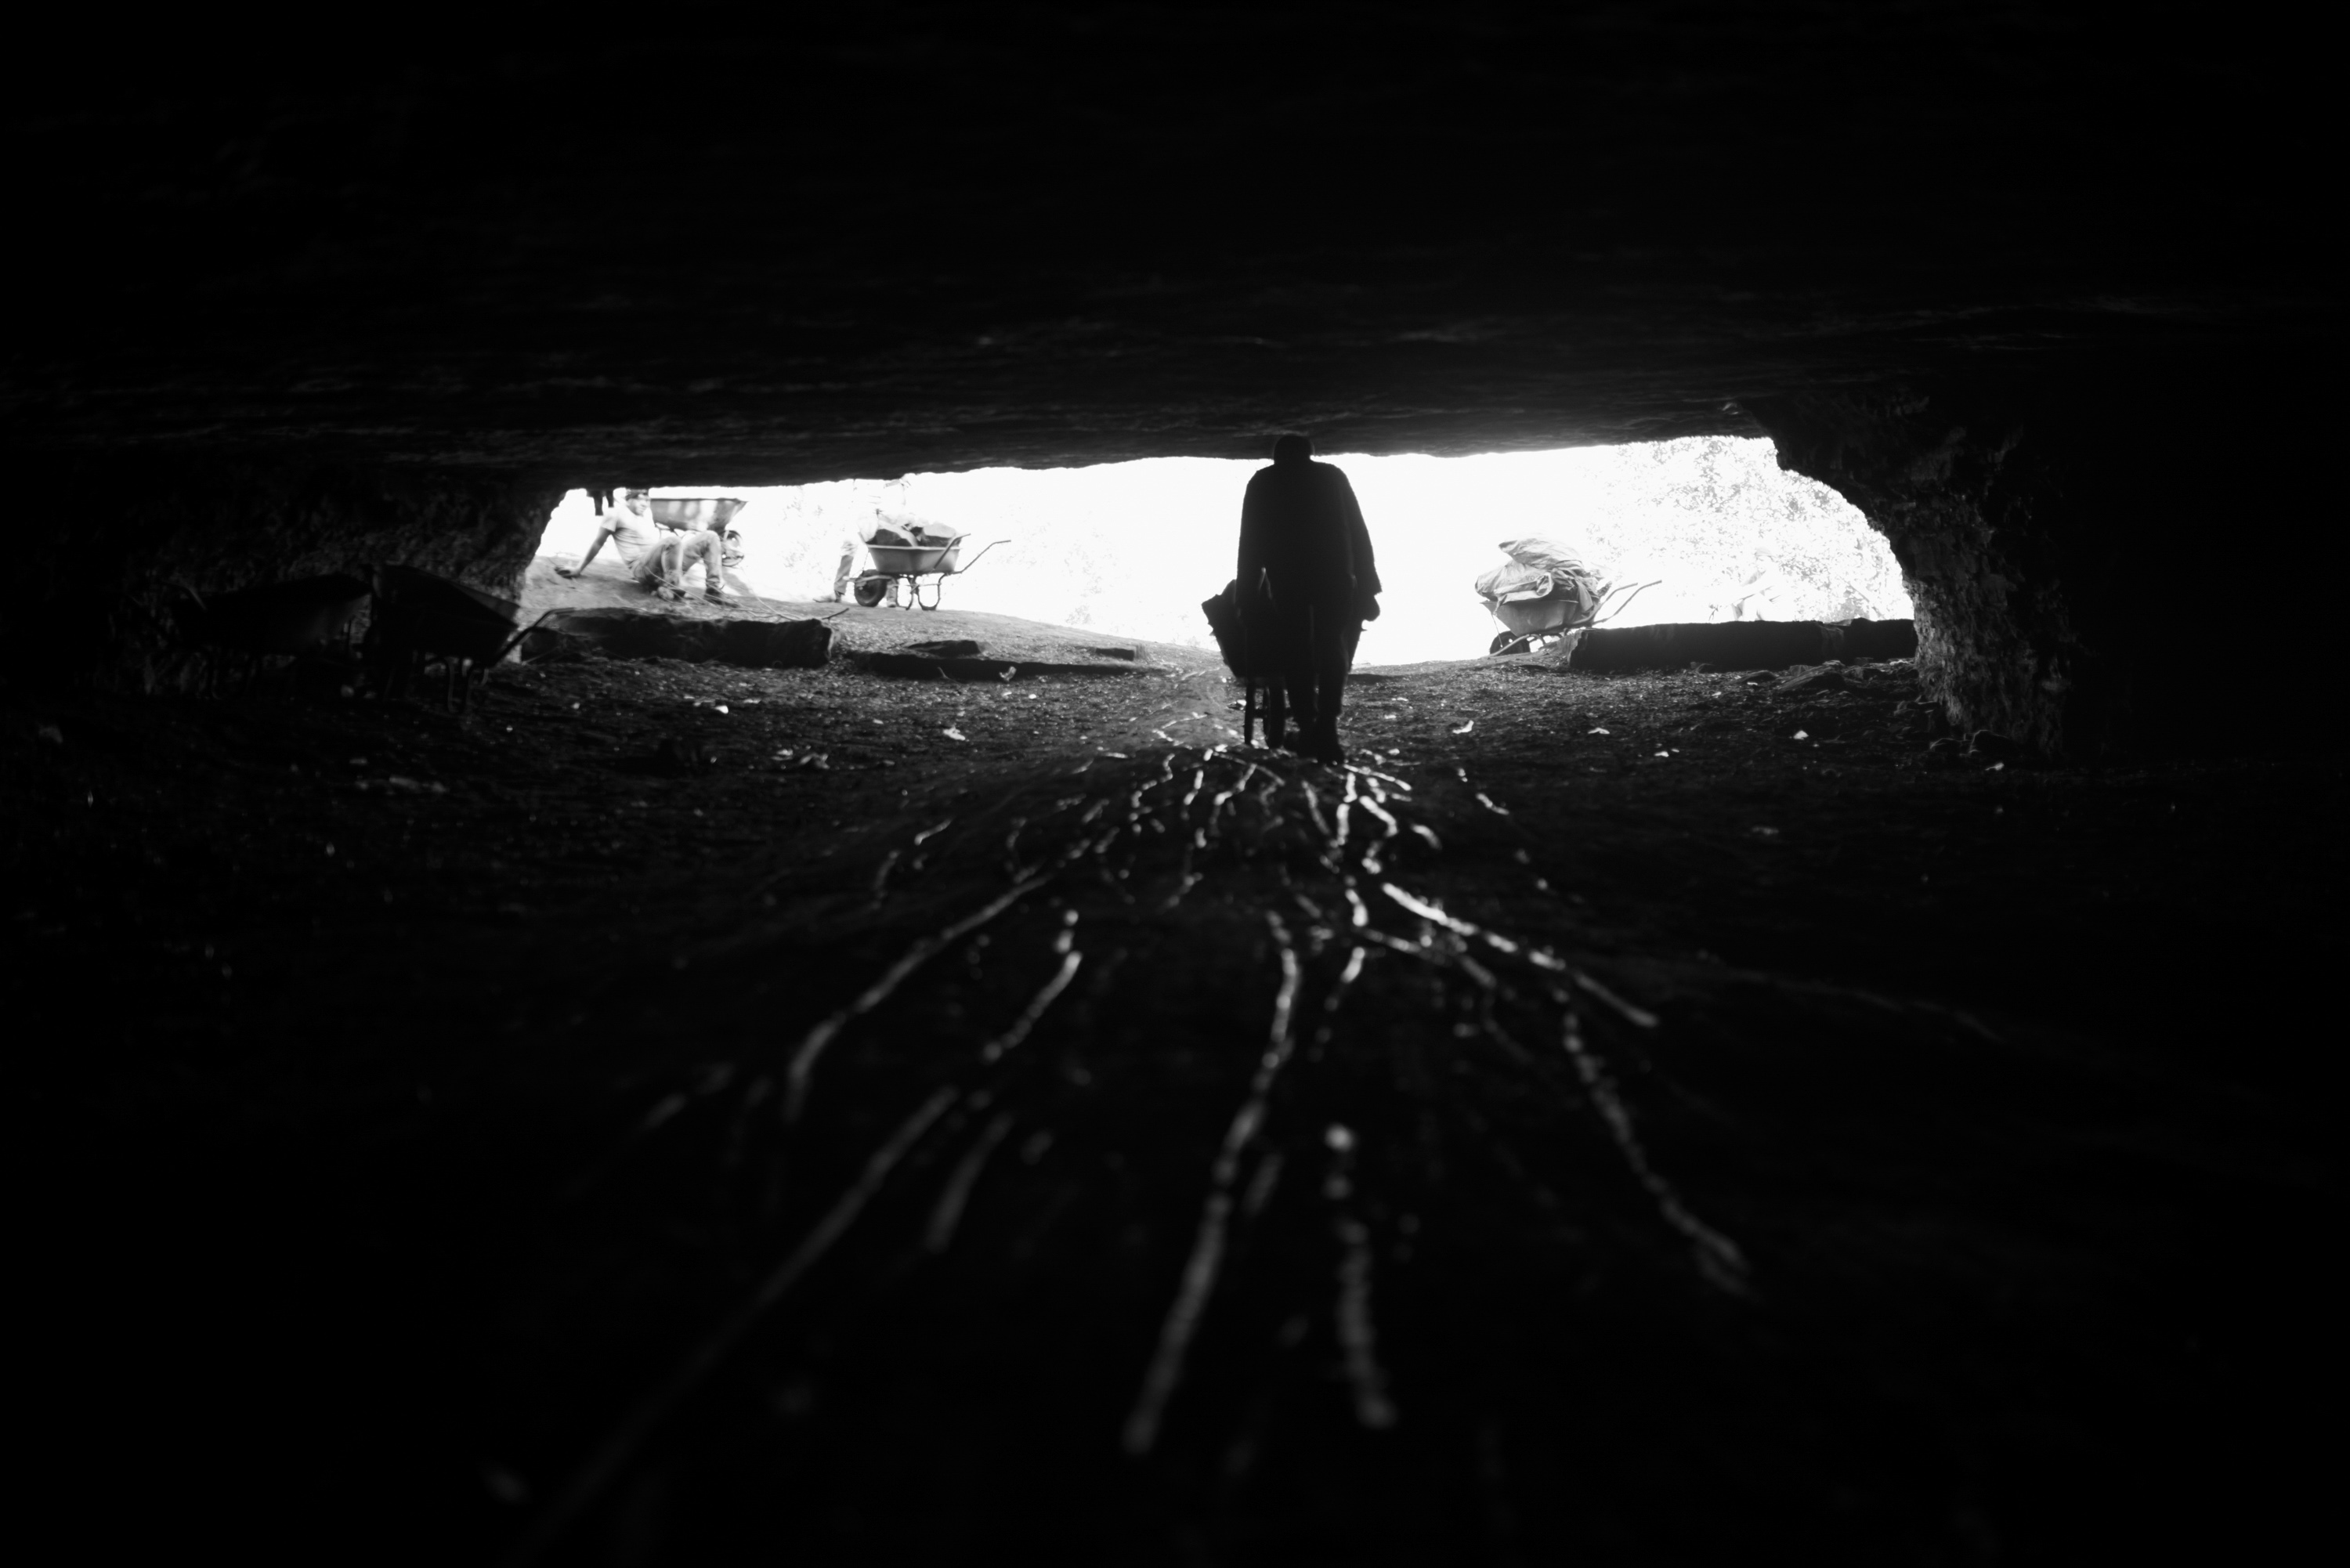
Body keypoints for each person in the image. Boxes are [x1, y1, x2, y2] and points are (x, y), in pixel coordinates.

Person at [1236, 432, 1381, 762]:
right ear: (1311, 454)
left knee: (1295, 647)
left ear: (1276, 457)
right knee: (1333, 644)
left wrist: (1246, 596)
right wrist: (1370, 586)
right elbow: (1358, 532)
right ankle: (1327, 727)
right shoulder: (1332, 477)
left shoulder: (1263, 482)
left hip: (1288, 580)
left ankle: (1306, 723)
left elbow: (1250, 543)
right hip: (1335, 577)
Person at [558, 489, 666, 581]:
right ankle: (674, 581)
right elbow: (598, 543)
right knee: (672, 541)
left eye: (647, 500)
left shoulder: (644, 514)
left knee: (680, 545)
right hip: (642, 569)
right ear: (629, 499)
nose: (644, 504)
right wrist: (578, 569)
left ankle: (676, 579)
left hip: (658, 567)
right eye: (639, 499)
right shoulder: (615, 513)